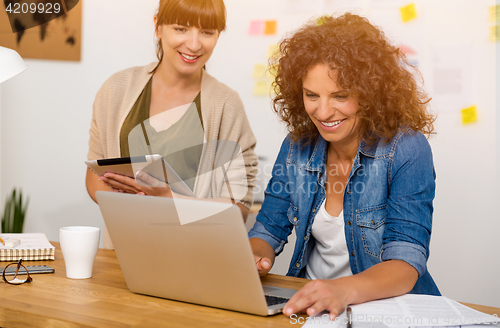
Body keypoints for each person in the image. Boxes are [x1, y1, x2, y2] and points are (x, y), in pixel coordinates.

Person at [248, 13, 439, 318]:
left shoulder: (407, 150)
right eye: (311, 95)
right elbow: (268, 228)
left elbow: (406, 261)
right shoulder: (297, 146)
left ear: (369, 92)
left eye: (340, 96)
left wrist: (341, 289)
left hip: (383, 313)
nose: (323, 111)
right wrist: (255, 257)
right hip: (311, 311)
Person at [86, 0, 258, 248]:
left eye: (207, 32)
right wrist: (127, 205)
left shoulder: (226, 105)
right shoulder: (117, 89)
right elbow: (94, 173)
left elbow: (238, 207)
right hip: (123, 253)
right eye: (181, 28)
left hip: (196, 257)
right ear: (158, 26)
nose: (194, 44)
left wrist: (169, 200)